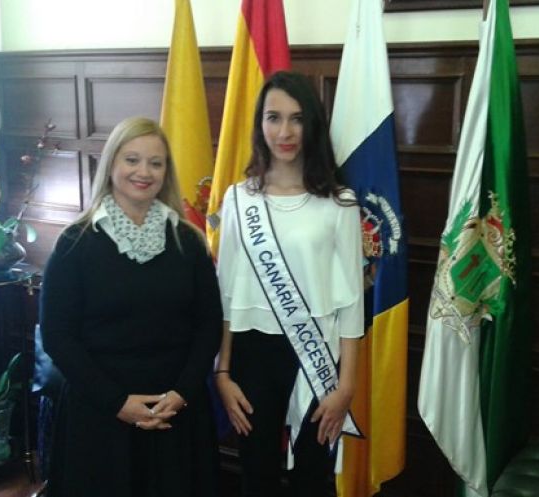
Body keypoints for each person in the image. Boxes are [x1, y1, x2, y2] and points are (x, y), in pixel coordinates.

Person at [39, 116, 223, 497]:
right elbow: (58, 336)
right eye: (132, 159)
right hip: (99, 416)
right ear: (111, 165)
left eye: (156, 163)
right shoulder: (75, 243)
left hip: (177, 413)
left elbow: (208, 325)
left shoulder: (188, 241)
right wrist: (117, 403)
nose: (144, 172)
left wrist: (182, 393)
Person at [215, 71, 364, 497]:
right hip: (250, 353)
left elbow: (352, 302)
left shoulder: (339, 203)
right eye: (273, 117)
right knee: (256, 474)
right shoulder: (237, 200)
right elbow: (226, 294)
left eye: (296, 119)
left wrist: (347, 384)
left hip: (316, 354)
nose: (284, 132)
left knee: (313, 480)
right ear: (260, 125)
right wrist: (222, 373)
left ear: (311, 125)